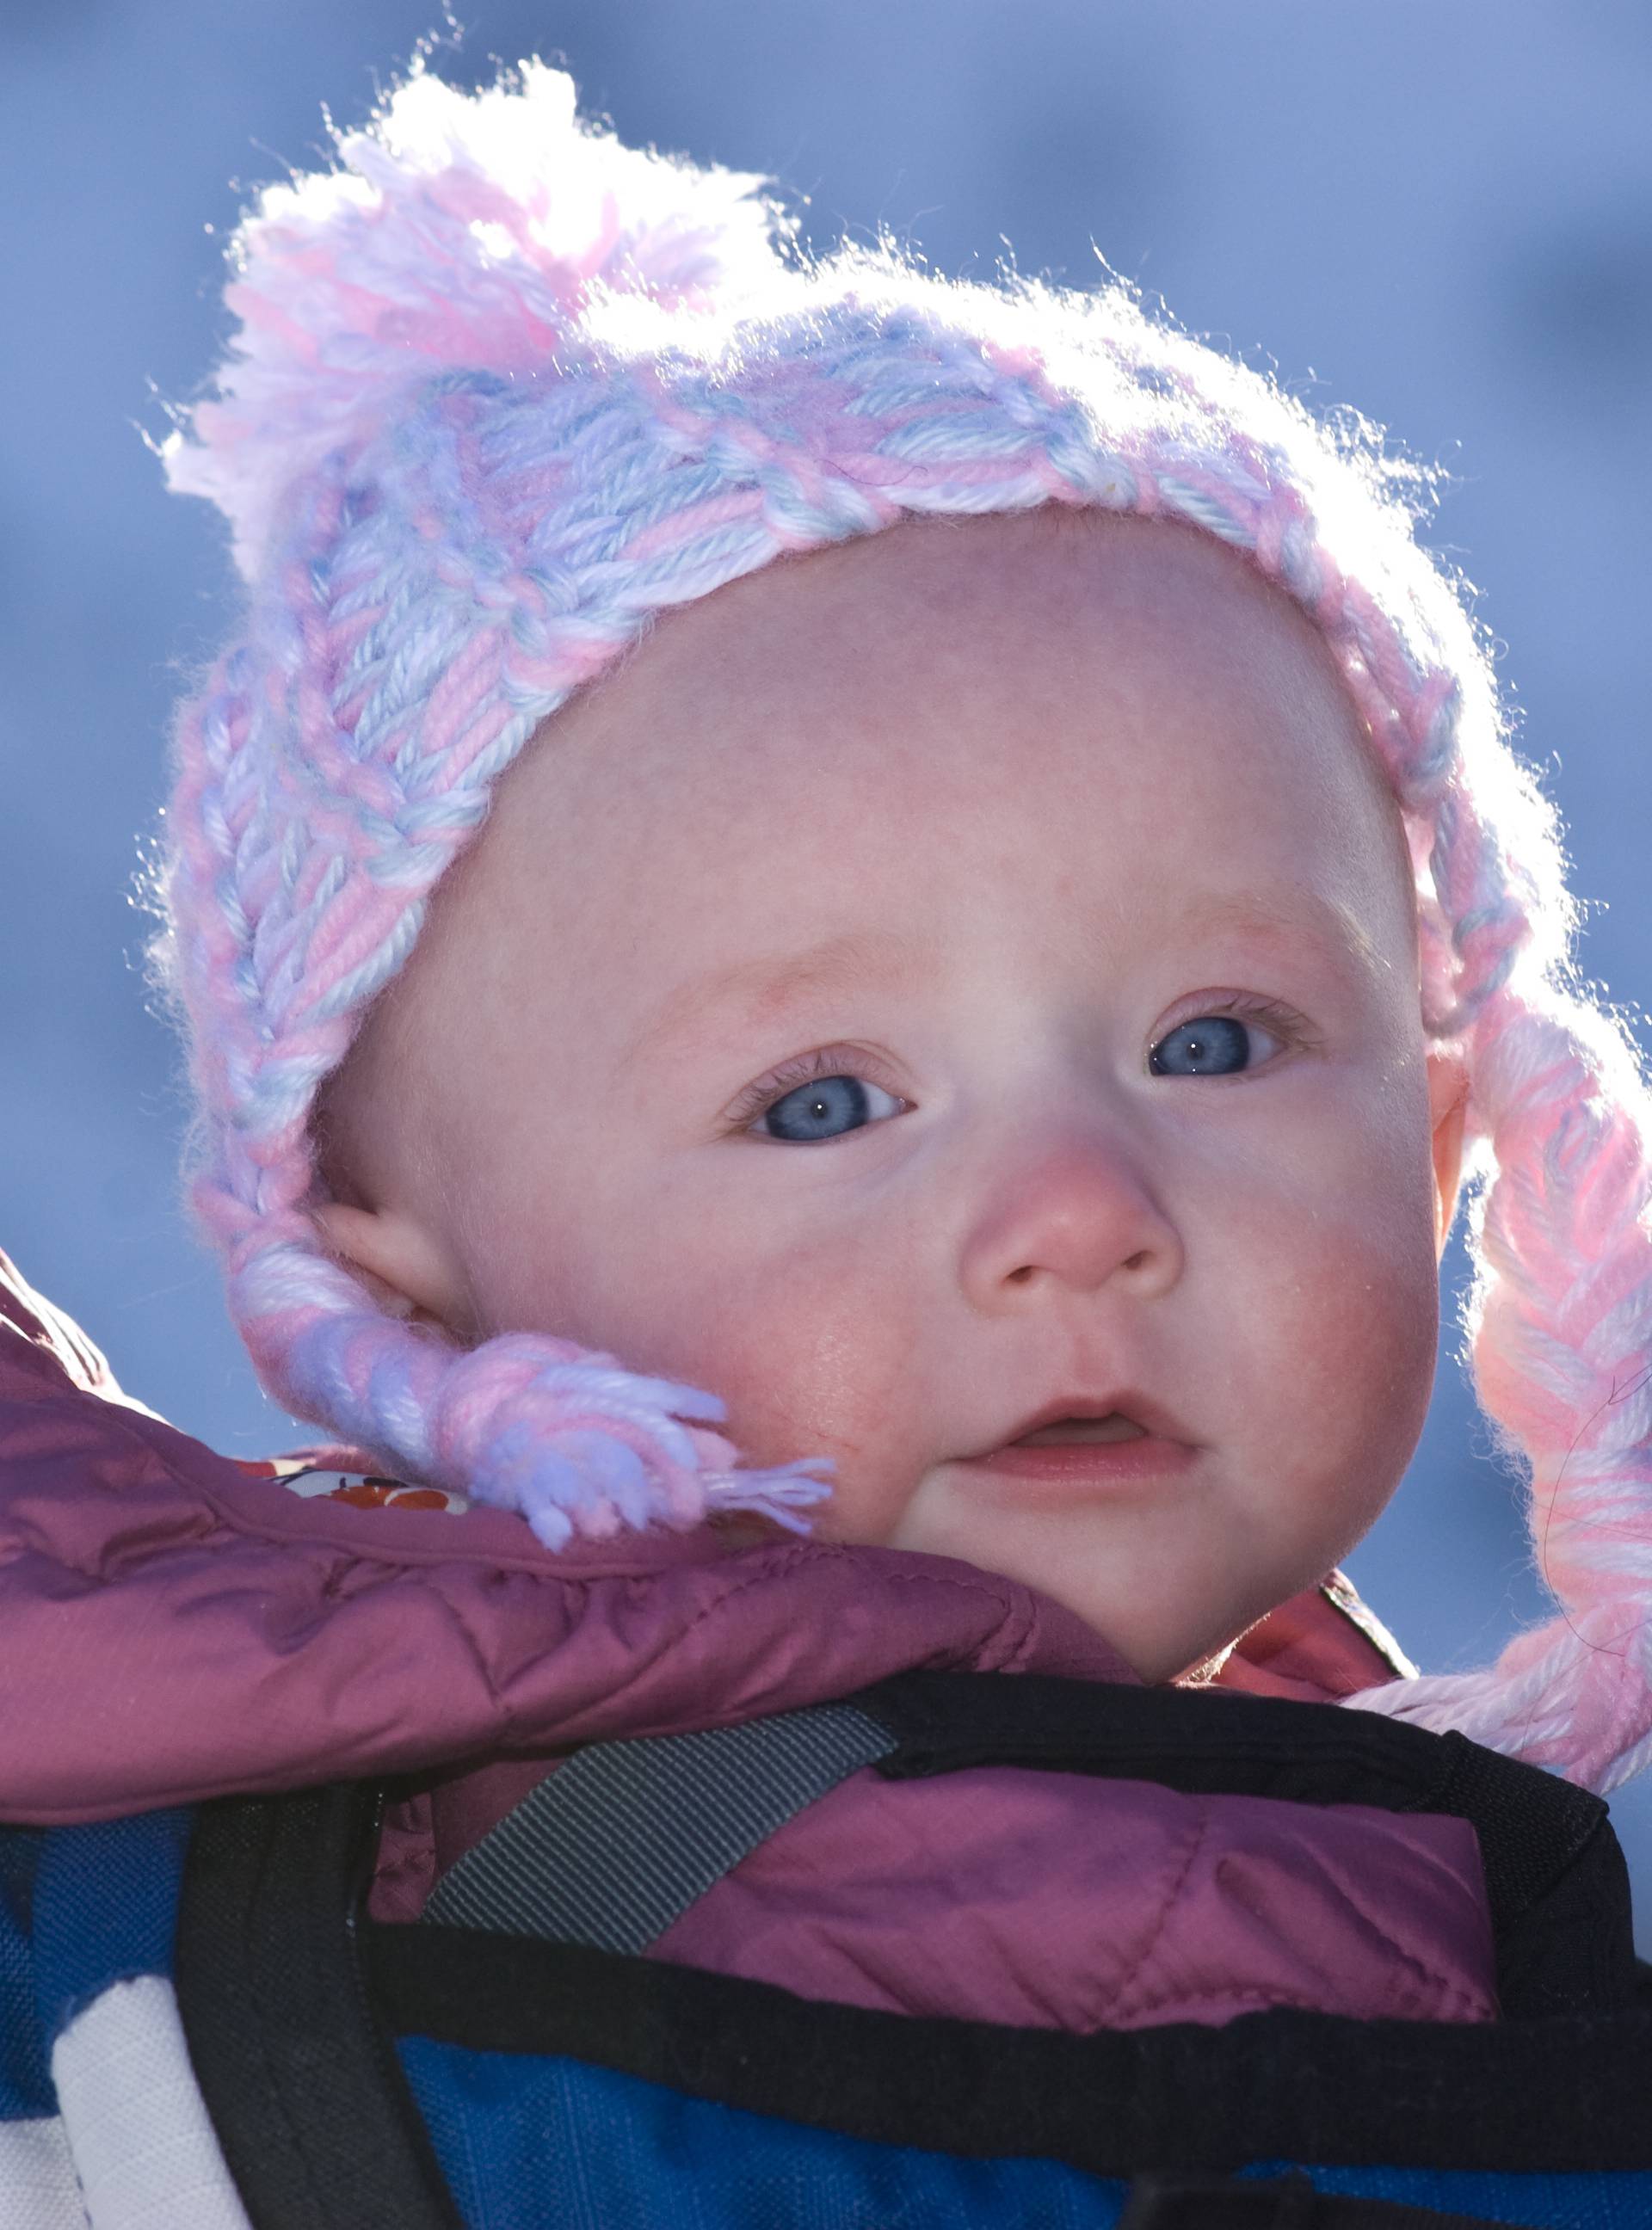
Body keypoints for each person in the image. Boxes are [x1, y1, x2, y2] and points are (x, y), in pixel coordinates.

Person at [3, 52, 1651, 2228]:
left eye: (1220, 1040)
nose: (1080, 1218)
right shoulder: (522, 1925)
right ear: (378, 1245)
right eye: (823, 1103)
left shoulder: (1302, 1845)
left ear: (1446, 1139)